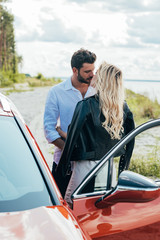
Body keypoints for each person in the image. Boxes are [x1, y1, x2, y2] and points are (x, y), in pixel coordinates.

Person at [57, 61, 135, 205]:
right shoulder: (122, 108)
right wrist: (123, 171)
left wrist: (60, 174)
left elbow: (71, 141)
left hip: (84, 167)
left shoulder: (85, 105)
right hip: (108, 166)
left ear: (102, 79)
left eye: (97, 72)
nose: (93, 74)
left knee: (73, 204)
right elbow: (130, 141)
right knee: (100, 205)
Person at [43, 48, 97, 197]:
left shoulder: (98, 91)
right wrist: (69, 151)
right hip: (64, 164)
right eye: (87, 71)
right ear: (75, 70)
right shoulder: (57, 92)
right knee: (60, 206)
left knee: (86, 208)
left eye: (93, 70)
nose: (92, 74)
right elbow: (49, 130)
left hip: (91, 164)